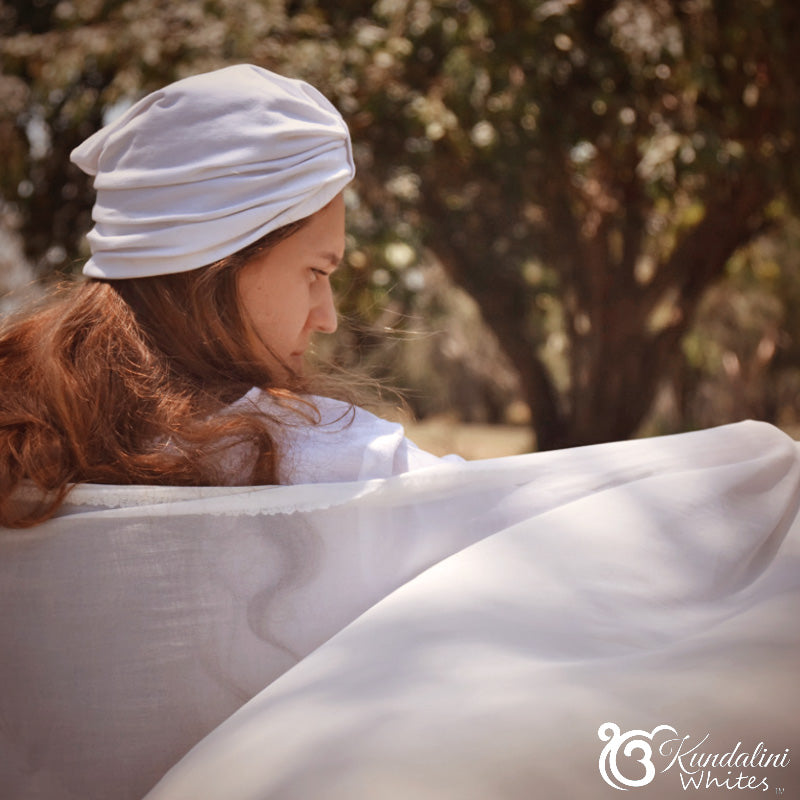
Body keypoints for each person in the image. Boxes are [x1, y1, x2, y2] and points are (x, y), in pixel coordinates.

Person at [0, 64, 454, 530]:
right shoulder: (351, 467)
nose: (327, 318)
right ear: (219, 264)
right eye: (316, 272)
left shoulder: (23, 444)